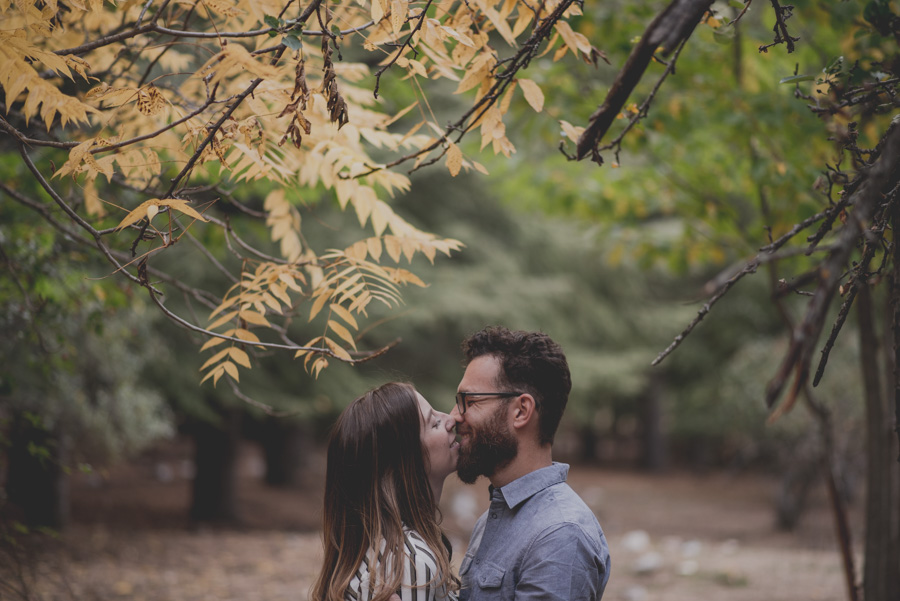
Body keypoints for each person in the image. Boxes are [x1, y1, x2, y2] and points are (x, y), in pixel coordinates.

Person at [451, 326, 611, 601]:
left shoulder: (560, 535)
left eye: (470, 401)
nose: (454, 416)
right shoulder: (490, 520)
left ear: (521, 411)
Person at [312, 382, 461, 601]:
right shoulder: (410, 564)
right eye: (434, 423)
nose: (451, 419)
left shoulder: (375, 551)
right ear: (405, 462)